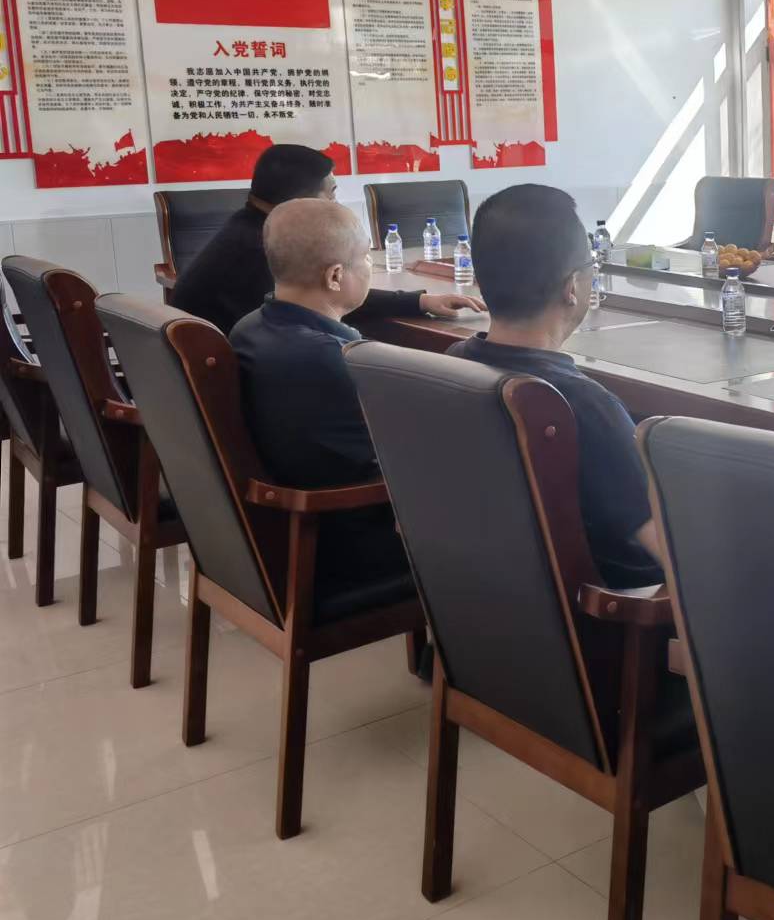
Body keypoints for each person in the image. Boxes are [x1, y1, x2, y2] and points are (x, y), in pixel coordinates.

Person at [445, 184, 662, 588]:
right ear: (572, 287)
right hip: (615, 610)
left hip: (489, 599)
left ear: (478, 277)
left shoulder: (452, 364)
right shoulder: (584, 405)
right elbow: (670, 551)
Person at [229, 198, 414, 619]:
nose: (370, 266)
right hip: (350, 543)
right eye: (365, 257)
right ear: (335, 276)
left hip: (295, 530)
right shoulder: (335, 358)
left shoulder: (249, 328)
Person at [171, 145, 483, 334]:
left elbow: (323, 292)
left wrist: (419, 301)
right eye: (331, 194)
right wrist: (415, 303)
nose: (336, 204)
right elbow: (325, 298)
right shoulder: (262, 247)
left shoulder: (250, 229)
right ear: (301, 202)